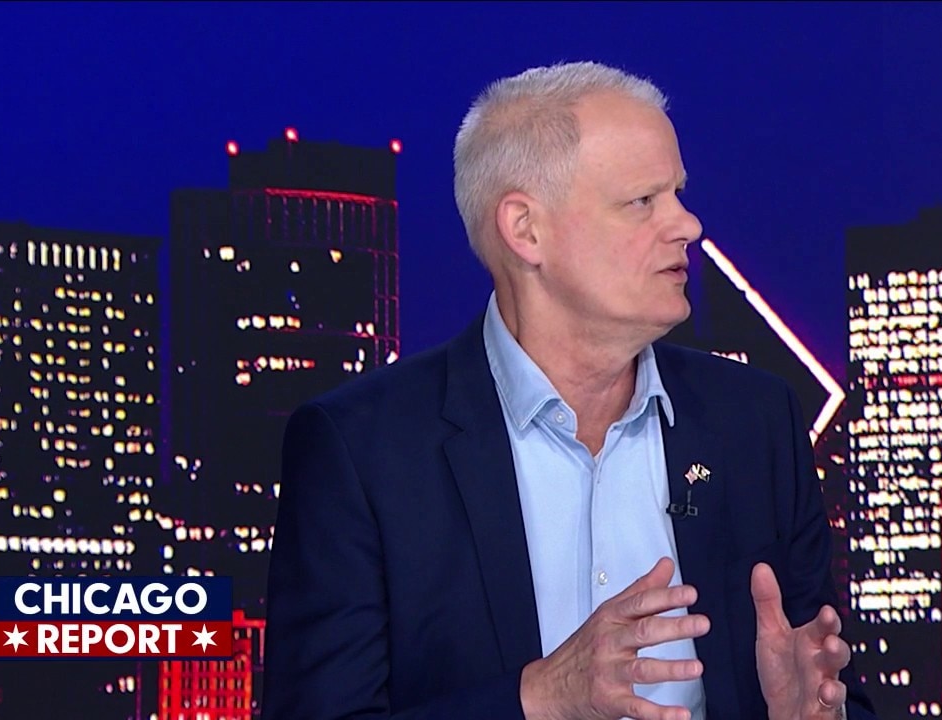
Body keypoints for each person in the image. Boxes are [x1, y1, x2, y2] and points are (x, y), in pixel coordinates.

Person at [263, 61, 877, 720]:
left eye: (677, 193)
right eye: (643, 201)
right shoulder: (364, 450)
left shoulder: (755, 422)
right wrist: (540, 697)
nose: (688, 225)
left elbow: (831, 687)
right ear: (526, 230)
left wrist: (811, 716)